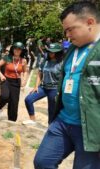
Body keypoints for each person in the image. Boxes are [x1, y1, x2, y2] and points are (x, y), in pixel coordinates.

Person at [34, 2, 100, 168]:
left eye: (71, 29)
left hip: (90, 129)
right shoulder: (71, 49)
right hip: (63, 121)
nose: (67, 35)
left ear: (90, 22)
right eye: (65, 31)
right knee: (43, 162)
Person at [23, 43, 63, 125]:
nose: (51, 53)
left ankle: (50, 126)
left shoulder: (62, 64)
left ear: (58, 53)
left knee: (51, 110)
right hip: (43, 87)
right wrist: (36, 86)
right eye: (49, 51)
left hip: (54, 89)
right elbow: (39, 73)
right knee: (28, 99)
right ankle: (32, 120)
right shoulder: (45, 61)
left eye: (53, 52)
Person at [0, 42, 28, 121]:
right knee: (5, 96)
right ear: (13, 49)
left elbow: (25, 71)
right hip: (6, 80)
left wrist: (24, 80)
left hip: (16, 82)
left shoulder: (23, 61)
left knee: (14, 103)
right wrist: (1, 75)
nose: (17, 50)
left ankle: (12, 120)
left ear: (22, 51)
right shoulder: (7, 57)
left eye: (19, 49)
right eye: (15, 48)